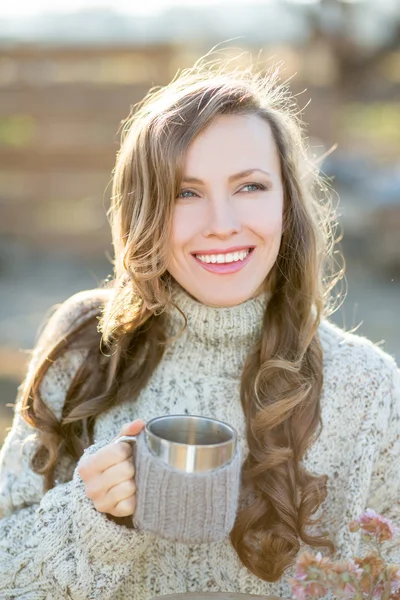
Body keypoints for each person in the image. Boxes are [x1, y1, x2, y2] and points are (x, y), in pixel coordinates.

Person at [0, 51, 399, 600]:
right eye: (185, 193)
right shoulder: (84, 349)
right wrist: (93, 518)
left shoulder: (368, 386)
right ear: (143, 211)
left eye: (250, 187)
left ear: (287, 205)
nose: (221, 225)